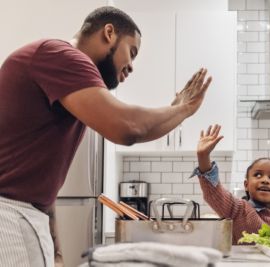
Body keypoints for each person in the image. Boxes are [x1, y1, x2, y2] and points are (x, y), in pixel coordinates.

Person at [0, 6, 212, 267]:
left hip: (26, 217)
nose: (131, 67)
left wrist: (56, 252)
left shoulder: (64, 76)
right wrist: (183, 109)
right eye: (131, 52)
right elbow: (128, 128)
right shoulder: (62, 56)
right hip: (10, 217)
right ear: (109, 33)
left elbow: (42, 187)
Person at [191, 125, 270, 244]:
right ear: (246, 184)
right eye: (257, 175)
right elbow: (214, 192)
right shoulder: (238, 209)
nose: (265, 180)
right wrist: (203, 156)